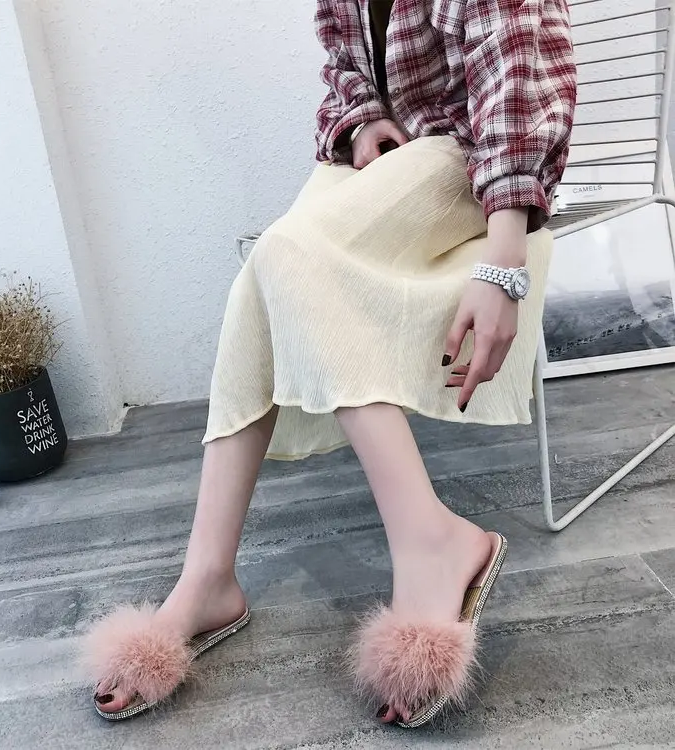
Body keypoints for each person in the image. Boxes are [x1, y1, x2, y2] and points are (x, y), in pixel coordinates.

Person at [84, 0, 577, 728]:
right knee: (264, 276)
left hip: (477, 157)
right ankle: (208, 577)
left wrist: (504, 263)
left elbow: (516, 60)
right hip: (397, 155)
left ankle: (429, 542)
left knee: (286, 256)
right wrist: (361, 118)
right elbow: (347, 62)